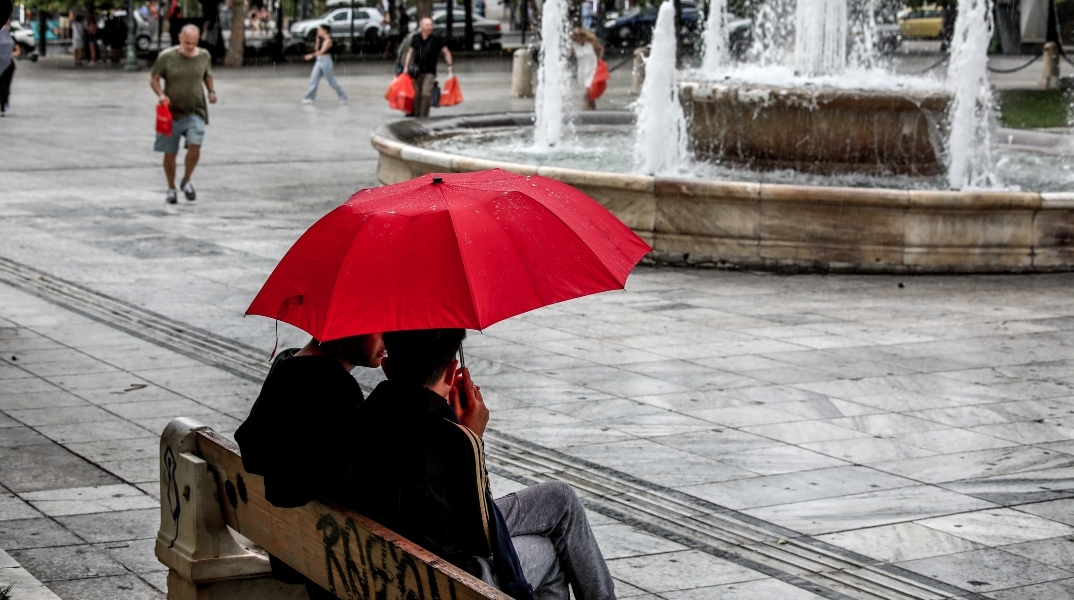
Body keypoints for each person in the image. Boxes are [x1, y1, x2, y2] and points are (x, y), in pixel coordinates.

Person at [363, 329, 617, 599]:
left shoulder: (368, 415)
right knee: (548, 550)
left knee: (560, 497)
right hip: (449, 579)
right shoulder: (450, 439)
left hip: (393, 552)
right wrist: (472, 438)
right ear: (452, 372)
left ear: (387, 366)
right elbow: (480, 537)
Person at [235, 333, 386, 600]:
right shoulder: (330, 385)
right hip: (331, 552)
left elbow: (253, 448)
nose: (389, 340)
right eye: (380, 329)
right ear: (348, 326)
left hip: (298, 544)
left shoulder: (291, 362)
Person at [150, 24, 216, 204]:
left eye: (193, 43)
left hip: (195, 110)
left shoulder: (204, 56)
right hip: (171, 113)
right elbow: (154, 79)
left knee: (195, 144)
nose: (190, 46)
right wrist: (161, 95)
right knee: (170, 153)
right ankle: (171, 188)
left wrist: (211, 91)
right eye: (187, 42)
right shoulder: (167, 57)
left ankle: (186, 180)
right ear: (180, 38)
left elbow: (207, 75)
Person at [403, 17, 452, 118]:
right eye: (427, 25)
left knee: (426, 94)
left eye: (431, 25)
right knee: (417, 95)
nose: (430, 27)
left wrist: (450, 65)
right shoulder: (416, 37)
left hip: (430, 71)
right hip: (416, 71)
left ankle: (423, 117)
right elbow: (410, 52)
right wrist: (406, 67)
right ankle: (417, 116)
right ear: (421, 26)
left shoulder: (436, 38)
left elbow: (446, 52)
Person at [302, 24, 347, 105]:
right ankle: (309, 97)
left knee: (331, 81)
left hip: (326, 61)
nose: (318, 32)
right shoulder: (320, 39)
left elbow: (322, 51)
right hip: (319, 61)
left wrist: (311, 56)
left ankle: (343, 96)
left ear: (325, 31)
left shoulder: (328, 40)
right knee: (313, 79)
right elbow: (317, 49)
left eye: (319, 30)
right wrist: (317, 41)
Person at [570, 27, 603, 110]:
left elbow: (601, 49)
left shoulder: (590, 43)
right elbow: (568, 55)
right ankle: (594, 113)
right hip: (582, 72)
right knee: (590, 96)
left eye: (580, 38)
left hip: (593, 69)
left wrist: (599, 59)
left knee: (586, 94)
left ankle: (584, 113)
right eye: (577, 39)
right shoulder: (574, 45)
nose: (579, 40)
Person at [0, 17, 18, 117]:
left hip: (7, 64)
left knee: (5, 85)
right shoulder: (7, 39)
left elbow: (17, 51)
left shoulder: (10, 38)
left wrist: (11, 54)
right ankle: (3, 103)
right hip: (6, 63)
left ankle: (3, 102)